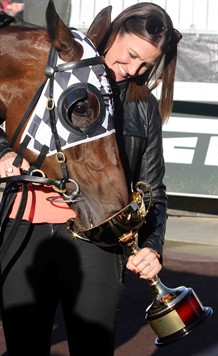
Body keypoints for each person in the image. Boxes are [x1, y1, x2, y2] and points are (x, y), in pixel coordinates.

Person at [0, 2, 182, 355]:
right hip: (24, 229)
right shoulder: (51, 68)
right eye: (129, 55)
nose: (132, 69)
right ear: (112, 34)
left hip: (96, 245)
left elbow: (154, 189)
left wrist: (152, 246)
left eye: (145, 64)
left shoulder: (141, 107)